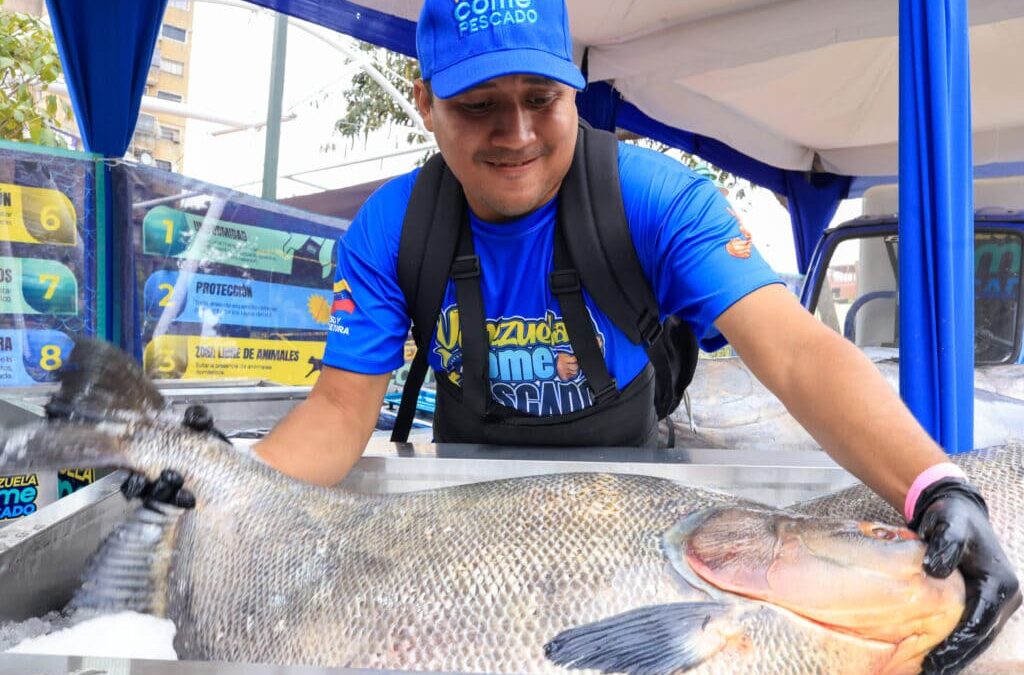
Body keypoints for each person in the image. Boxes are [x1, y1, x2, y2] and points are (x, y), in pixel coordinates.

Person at [251, 0, 1019, 671]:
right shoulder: (392, 229)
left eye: (541, 98)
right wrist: (226, 492)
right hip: (464, 522)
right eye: (479, 104)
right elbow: (340, 411)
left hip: (633, 528)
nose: (516, 133)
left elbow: (795, 352)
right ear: (425, 102)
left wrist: (935, 485)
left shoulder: (656, 199)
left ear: (573, 92)